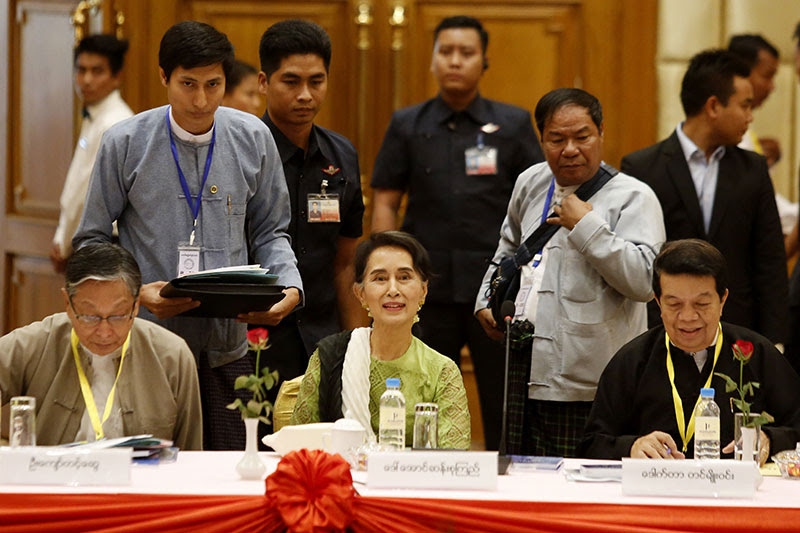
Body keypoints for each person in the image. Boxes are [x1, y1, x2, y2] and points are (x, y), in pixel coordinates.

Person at [73, 21, 302, 450]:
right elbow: (91, 241)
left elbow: (272, 231)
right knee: (151, 467)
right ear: (164, 77)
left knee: (229, 470)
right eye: (188, 84)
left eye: (213, 85)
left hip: (230, 345)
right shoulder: (125, 142)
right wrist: (136, 293)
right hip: (148, 341)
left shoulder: (253, 138)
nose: (200, 100)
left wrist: (290, 286)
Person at [370, 15, 543, 451]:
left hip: (496, 290)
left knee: (503, 403)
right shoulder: (408, 124)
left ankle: (507, 481)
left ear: (484, 61)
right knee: (420, 394)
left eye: (466, 53)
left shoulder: (513, 124)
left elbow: (536, 200)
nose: (455, 61)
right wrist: (383, 270)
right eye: (445, 51)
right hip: (425, 288)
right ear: (432, 60)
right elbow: (386, 200)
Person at [474, 88, 666, 457]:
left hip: (592, 382)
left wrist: (587, 226)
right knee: (523, 480)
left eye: (582, 137)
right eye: (556, 139)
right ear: (541, 140)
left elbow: (645, 282)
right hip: (523, 368)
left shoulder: (634, 197)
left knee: (585, 482)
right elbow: (508, 247)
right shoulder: (530, 182)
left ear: (601, 133)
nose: (570, 149)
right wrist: (486, 298)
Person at [621, 49, 788, 347]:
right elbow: (636, 265)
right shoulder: (643, 168)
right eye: (745, 105)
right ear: (713, 106)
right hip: (664, 333)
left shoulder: (753, 169)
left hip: (738, 335)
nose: (750, 117)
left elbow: (770, 262)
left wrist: (774, 341)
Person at [580, 239, 800, 464]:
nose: (687, 317)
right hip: (657, 484)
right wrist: (632, 447)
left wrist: (769, 439)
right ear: (658, 302)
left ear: (722, 300)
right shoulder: (632, 361)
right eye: (674, 304)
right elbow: (592, 443)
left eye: (701, 304)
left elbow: (795, 426)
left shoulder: (756, 355)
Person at [0, 243, 202, 450]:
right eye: (90, 316)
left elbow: (191, 455)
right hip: (55, 471)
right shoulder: (35, 343)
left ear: (135, 306)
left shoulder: (172, 356)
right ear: (68, 304)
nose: (104, 332)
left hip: (141, 472)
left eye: (117, 316)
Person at [257, 19, 366, 392]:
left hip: (324, 338)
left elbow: (346, 263)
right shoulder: (243, 153)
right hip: (256, 338)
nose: (305, 95)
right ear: (263, 82)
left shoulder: (342, 154)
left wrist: (358, 347)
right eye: (291, 82)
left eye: (316, 82)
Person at [291, 231, 471, 449]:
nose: (393, 290)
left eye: (404, 277)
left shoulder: (442, 371)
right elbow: (299, 444)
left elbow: (453, 456)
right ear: (360, 293)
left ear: (423, 291)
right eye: (380, 279)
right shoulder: (330, 357)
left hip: (415, 472)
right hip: (339, 470)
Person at [50, 34, 134, 272]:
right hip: (90, 239)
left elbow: (85, 191)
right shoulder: (96, 115)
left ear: (117, 77)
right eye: (81, 70)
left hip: (104, 244)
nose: (86, 80)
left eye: (97, 71)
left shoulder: (113, 122)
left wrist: (64, 241)